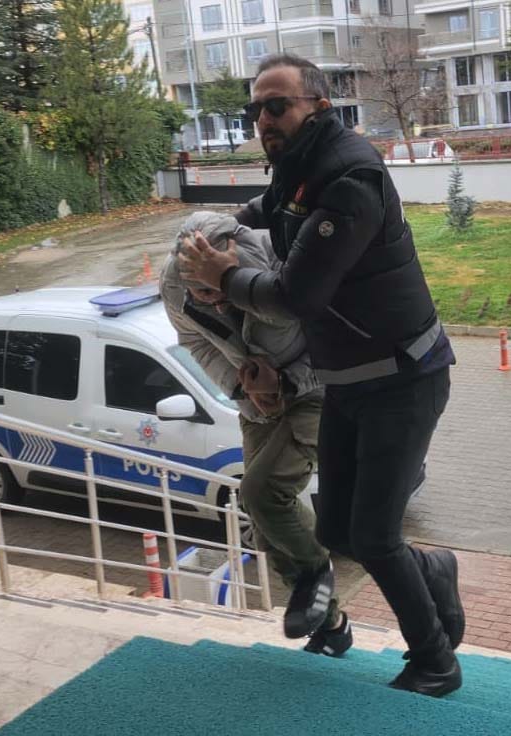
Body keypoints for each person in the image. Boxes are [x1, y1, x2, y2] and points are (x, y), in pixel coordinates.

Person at [178, 54, 465, 697]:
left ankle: (435, 663)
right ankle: (434, 568)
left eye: (276, 105)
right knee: (335, 530)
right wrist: (220, 232)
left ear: (319, 107)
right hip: (348, 381)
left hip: (404, 378)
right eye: (255, 108)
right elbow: (268, 208)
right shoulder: (298, 168)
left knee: (375, 537)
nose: (262, 118)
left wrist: (225, 275)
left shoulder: (350, 177)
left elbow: (296, 296)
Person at [160, 210, 353, 657]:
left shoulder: (285, 266)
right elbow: (195, 341)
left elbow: (336, 336)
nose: (214, 304)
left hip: (319, 389)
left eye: (219, 289)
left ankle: (317, 571)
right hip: (254, 399)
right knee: (262, 517)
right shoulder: (174, 287)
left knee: (262, 492)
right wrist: (242, 385)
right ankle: (331, 624)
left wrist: (286, 382)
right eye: (200, 294)